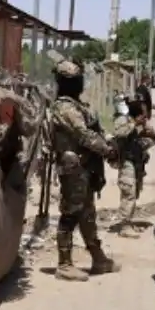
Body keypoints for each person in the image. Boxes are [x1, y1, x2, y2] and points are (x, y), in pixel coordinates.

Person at [48, 59, 119, 281]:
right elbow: (84, 135)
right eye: (76, 80)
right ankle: (64, 264)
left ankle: (98, 258)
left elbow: (94, 127)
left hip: (85, 167)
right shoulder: (64, 107)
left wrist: (109, 139)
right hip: (73, 168)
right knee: (70, 213)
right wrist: (108, 150)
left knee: (87, 214)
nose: (80, 84)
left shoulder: (77, 105)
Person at [110, 94, 155, 236]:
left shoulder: (141, 125)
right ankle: (124, 227)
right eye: (143, 114)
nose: (145, 117)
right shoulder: (123, 121)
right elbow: (119, 134)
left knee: (134, 193)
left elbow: (153, 141)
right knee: (128, 193)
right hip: (126, 162)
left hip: (137, 163)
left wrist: (147, 130)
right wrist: (134, 124)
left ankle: (128, 221)